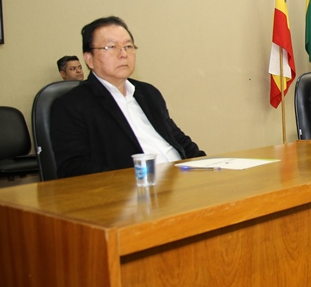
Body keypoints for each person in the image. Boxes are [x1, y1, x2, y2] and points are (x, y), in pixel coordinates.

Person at [50, 16, 205, 178]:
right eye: (111, 47)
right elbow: (72, 168)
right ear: (89, 59)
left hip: (183, 179)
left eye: (128, 46)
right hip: (137, 186)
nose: (123, 54)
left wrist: (208, 165)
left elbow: (178, 140)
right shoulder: (70, 105)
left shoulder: (148, 93)